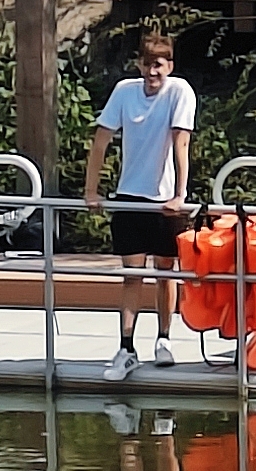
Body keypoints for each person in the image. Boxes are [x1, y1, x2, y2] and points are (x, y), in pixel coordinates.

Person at [81, 27, 197, 375]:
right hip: (130, 195)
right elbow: (101, 141)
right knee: (132, 274)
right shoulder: (124, 92)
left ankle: (164, 338)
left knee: (166, 271)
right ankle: (126, 346)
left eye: (159, 65)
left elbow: (181, 143)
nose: (152, 72)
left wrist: (180, 193)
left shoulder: (180, 92)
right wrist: (91, 190)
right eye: (147, 65)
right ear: (138, 64)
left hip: (164, 201)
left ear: (170, 66)